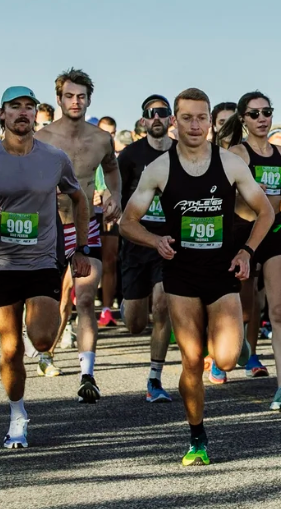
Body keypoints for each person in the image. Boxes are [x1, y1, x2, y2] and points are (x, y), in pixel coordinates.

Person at [120, 87, 274, 466]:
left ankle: (222, 336)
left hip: (222, 273)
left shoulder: (230, 164)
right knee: (191, 361)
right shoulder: (159, 169)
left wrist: (247, 251)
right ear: (174, 122)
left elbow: (267, 212)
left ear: (210, 121)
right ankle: (196, 437)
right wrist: (156, 241)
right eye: (186, 117)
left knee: (225, 358)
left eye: (201, 117)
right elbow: (127, 222)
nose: (194, 124)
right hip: (181, 276)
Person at [0, 86, 90, 449]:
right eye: (14, 107)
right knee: (10, 346)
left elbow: (79, 199)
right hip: (0, 262)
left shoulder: (54, 158)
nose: (22, 113)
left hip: (44, 259)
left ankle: (37, 360)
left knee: (43, 339)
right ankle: (17, 415)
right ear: (2, 115)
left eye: (28, 107)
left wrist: (80, 247)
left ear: (36, 115)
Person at [217, 92, 281, 410]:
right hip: (242, 234)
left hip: (276, 232)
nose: (262, 118)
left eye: (266, 112)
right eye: (254, 114)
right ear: (243, 119)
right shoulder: (236, 153)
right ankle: (238, 340)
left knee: (279, 311)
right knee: (245, 306)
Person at [37, 68, 120, 398]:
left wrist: (115, 196)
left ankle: (88, 375)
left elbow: (112, 170)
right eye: (69, 96)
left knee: (85, 300)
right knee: (50, 302)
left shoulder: (100, 138)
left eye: (81, 96)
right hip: (50, 230)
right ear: (58, 99)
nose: (76, 101)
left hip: (87, 228)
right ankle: (44, 349)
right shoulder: (41, 139)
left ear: (89, 99)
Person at [117, 95, 176, 402]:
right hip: (136, 242)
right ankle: (128, 304)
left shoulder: (182, 154)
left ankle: (155, 378)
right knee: (135, 324)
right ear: (143, 121)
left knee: (162, 305)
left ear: (171, 120)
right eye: (150, 114)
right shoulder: (129, 155)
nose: (156, 117)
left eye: (162, 113)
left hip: (168, 243)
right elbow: (117, 189)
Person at [95, 116, 120, 327]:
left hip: (109, 214)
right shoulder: (87, 152)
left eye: (112, 133)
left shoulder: (117, 158)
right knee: (86, 263)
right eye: (105, 133)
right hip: (87, 215)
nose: (109, 137)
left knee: (109, 261)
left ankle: (106, 310)